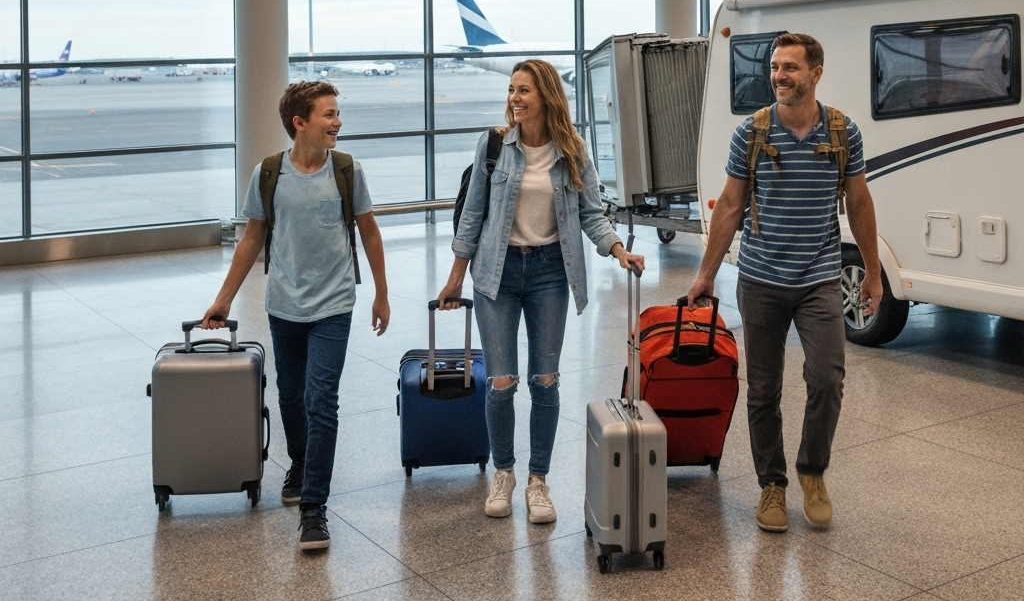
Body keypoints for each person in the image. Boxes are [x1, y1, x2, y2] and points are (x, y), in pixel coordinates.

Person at [686, 33, 881, 534]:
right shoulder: (751, 133)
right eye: (775, 67)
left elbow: (859, 202)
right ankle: (771, 485)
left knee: (827, 378)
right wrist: (706, 274)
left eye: (790, 67)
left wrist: (874, 272)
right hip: (761, 278)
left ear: (816, 73)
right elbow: (730, 206)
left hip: (818, 278)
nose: (779, 76)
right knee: (764, 389)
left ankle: (812, 471)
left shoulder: (842, 132)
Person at [437, 59, 644, 524]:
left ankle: (538, 481)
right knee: (501, 381)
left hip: (551, 271)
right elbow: (472, 215)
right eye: (511, 90)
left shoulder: (572, 151)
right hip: (497, 271)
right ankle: (504, 472)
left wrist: (617, 250)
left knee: (545, 380)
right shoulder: (493, 146)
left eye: (524, 90)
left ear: (546, 96)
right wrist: (455, 274)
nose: (514, 98)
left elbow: (591, 212)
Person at [201, 80, 390, 551]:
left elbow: (369, 232)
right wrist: (224, 298)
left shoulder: (346, 170)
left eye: (337, 113)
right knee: (290, 395)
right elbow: (251, 239)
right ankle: (301, 463)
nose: (338, 122)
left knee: (321, 399)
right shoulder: (269, 174)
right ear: (299, 123)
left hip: (334, 304)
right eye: (328, 115)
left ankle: (313, 506)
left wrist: (381, 294)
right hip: (284, 305)